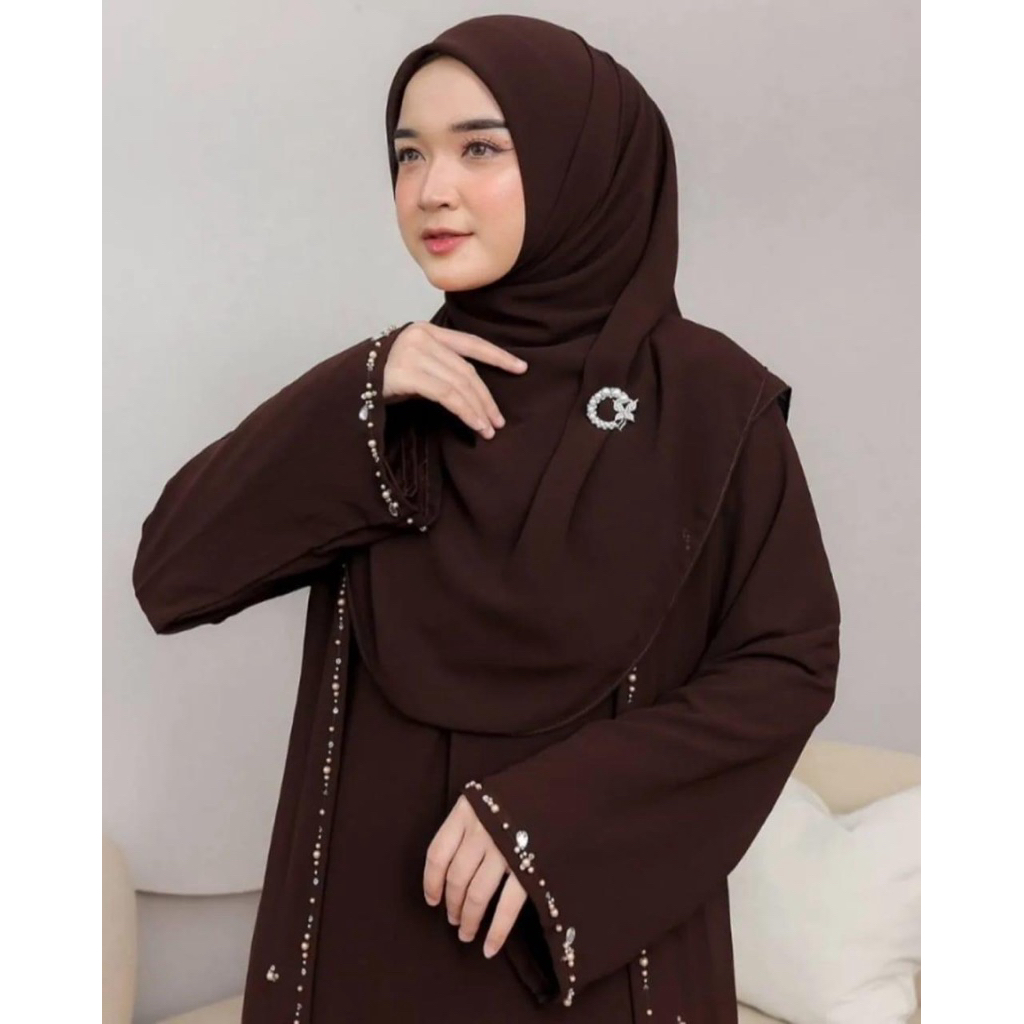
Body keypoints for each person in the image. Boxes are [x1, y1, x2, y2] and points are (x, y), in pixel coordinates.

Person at [132, 14, 841, 1024]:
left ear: (580, 165)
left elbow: (787, 663)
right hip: (367, 953)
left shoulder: (707, 403)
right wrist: (358, 388)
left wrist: (552, 820)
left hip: (587, 955)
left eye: (480, 149)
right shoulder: (394, 401)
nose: (431, 189)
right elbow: (171, 570)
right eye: (408, 154)